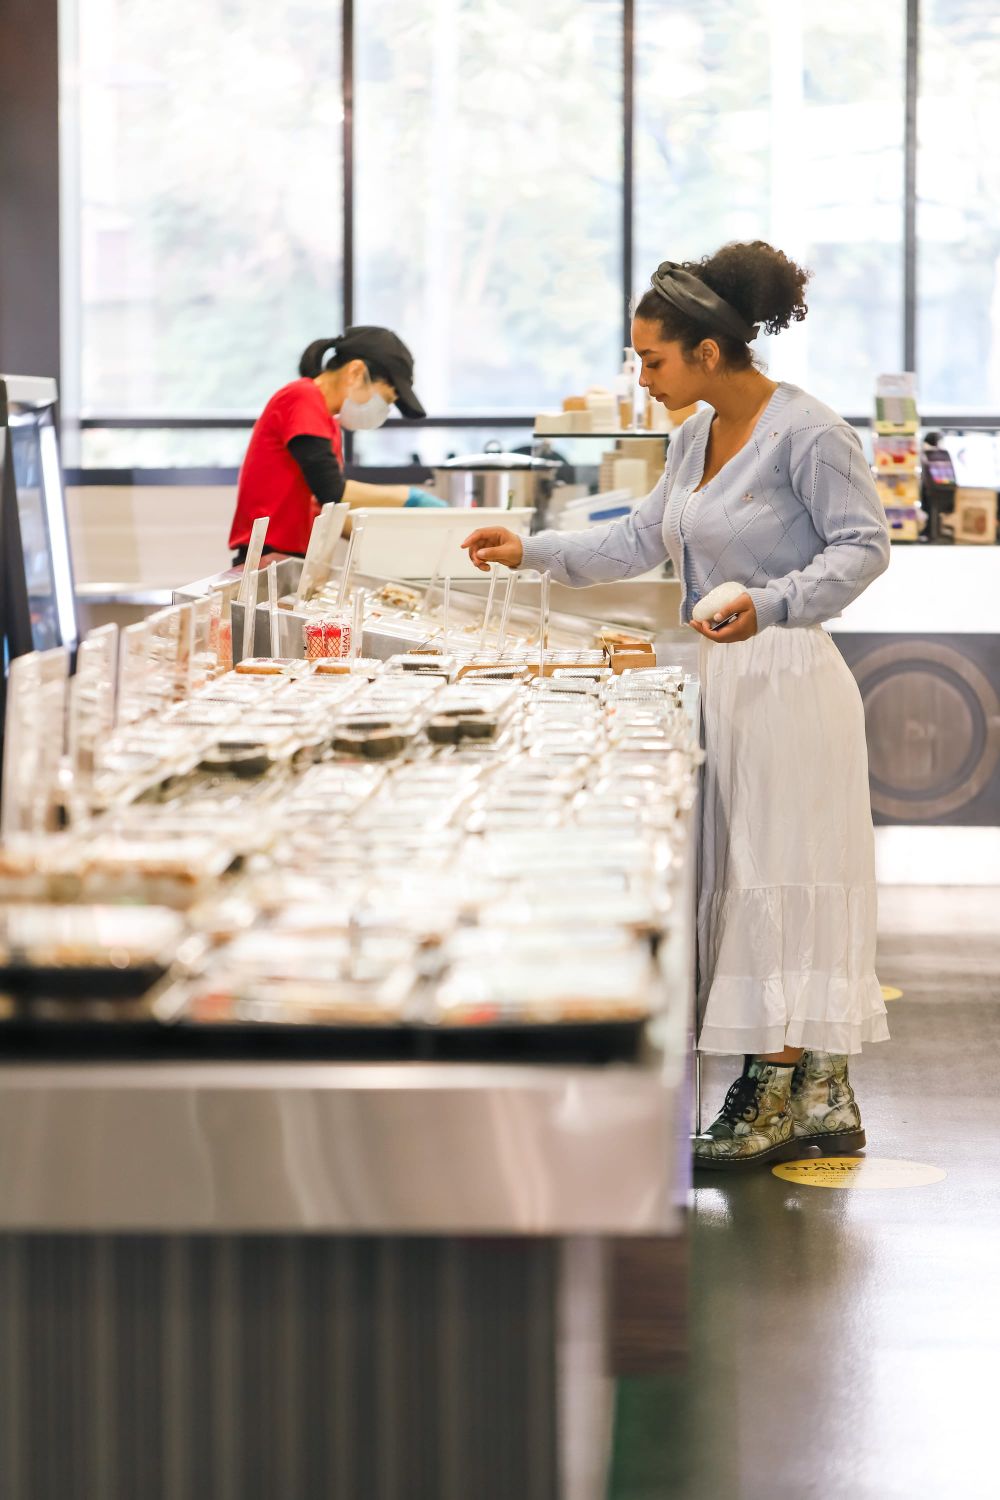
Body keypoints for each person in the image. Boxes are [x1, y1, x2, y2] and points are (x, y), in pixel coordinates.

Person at [462, 241, 892, 1170]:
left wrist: (768, 601)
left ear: (708, 351)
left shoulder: (809, 432)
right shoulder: (696, 435)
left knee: (779, 870)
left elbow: (863, 549)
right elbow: (641, 540)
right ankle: (819, 1089)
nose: (641, 375)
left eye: (651, 358)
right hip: (721, 674)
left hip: (785, 677)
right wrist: (531, 550)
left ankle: (775, 1085)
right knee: (741, 870)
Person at [229, 326, 445, 563]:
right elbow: (332, 491)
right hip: (268, 560)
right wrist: (411, 498)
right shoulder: (302, 398)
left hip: (293, 559)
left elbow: (326, 508)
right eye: (385, 399)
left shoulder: (325, 419)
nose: (384, 409)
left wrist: (395, 543)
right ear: (355, 372)